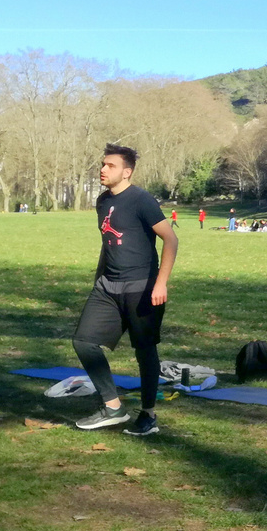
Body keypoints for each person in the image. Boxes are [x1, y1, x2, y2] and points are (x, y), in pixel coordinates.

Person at [70, 144, 178, 436]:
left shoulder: (142, 200)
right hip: (107, 286)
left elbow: (170, 239)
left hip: (142, 287)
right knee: (83, 341)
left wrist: (160, 282)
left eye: (111, 165)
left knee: (145, 351)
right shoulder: (102, 201)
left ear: (127, 172)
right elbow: (108, 245)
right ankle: (113, 407)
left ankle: (148, 414)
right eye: (103, 164)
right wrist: (98, 279)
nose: (103, 169)